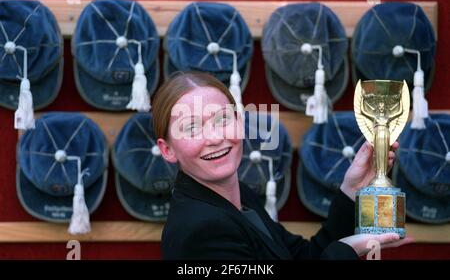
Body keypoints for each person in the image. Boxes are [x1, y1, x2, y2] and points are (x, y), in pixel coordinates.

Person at [153, 71, 412, 260]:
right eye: (191, 128)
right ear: (167, 150)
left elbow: (302, 256)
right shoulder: (199, 232)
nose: (214, 137)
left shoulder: (239, 196)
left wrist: (351, 189)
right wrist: (348, 249)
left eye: (222, 119)